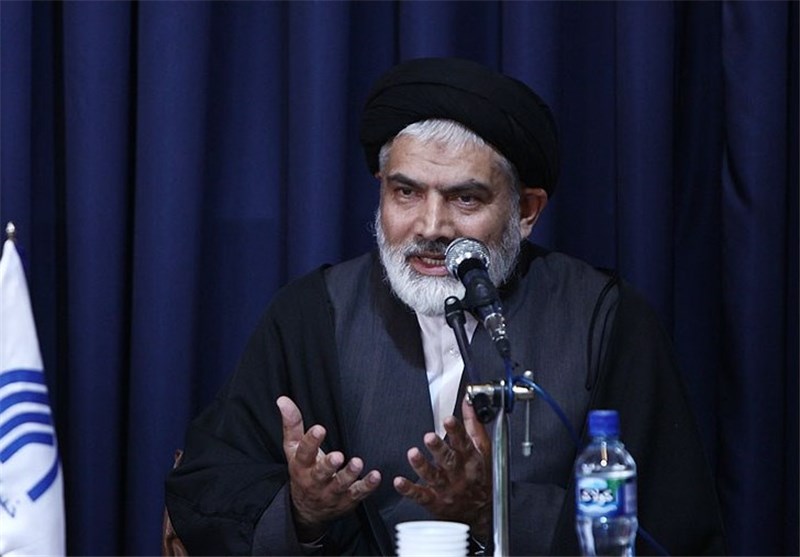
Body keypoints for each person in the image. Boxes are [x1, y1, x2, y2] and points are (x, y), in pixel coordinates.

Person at [165, 57, 726, 556]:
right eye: (406, 192)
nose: (431, 227)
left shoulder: (603, 318)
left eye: (465, 198)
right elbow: (210, 486)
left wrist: (497, 512)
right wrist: (301, 513)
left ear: (526, 211)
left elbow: (668, 526)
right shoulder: (314, 314)